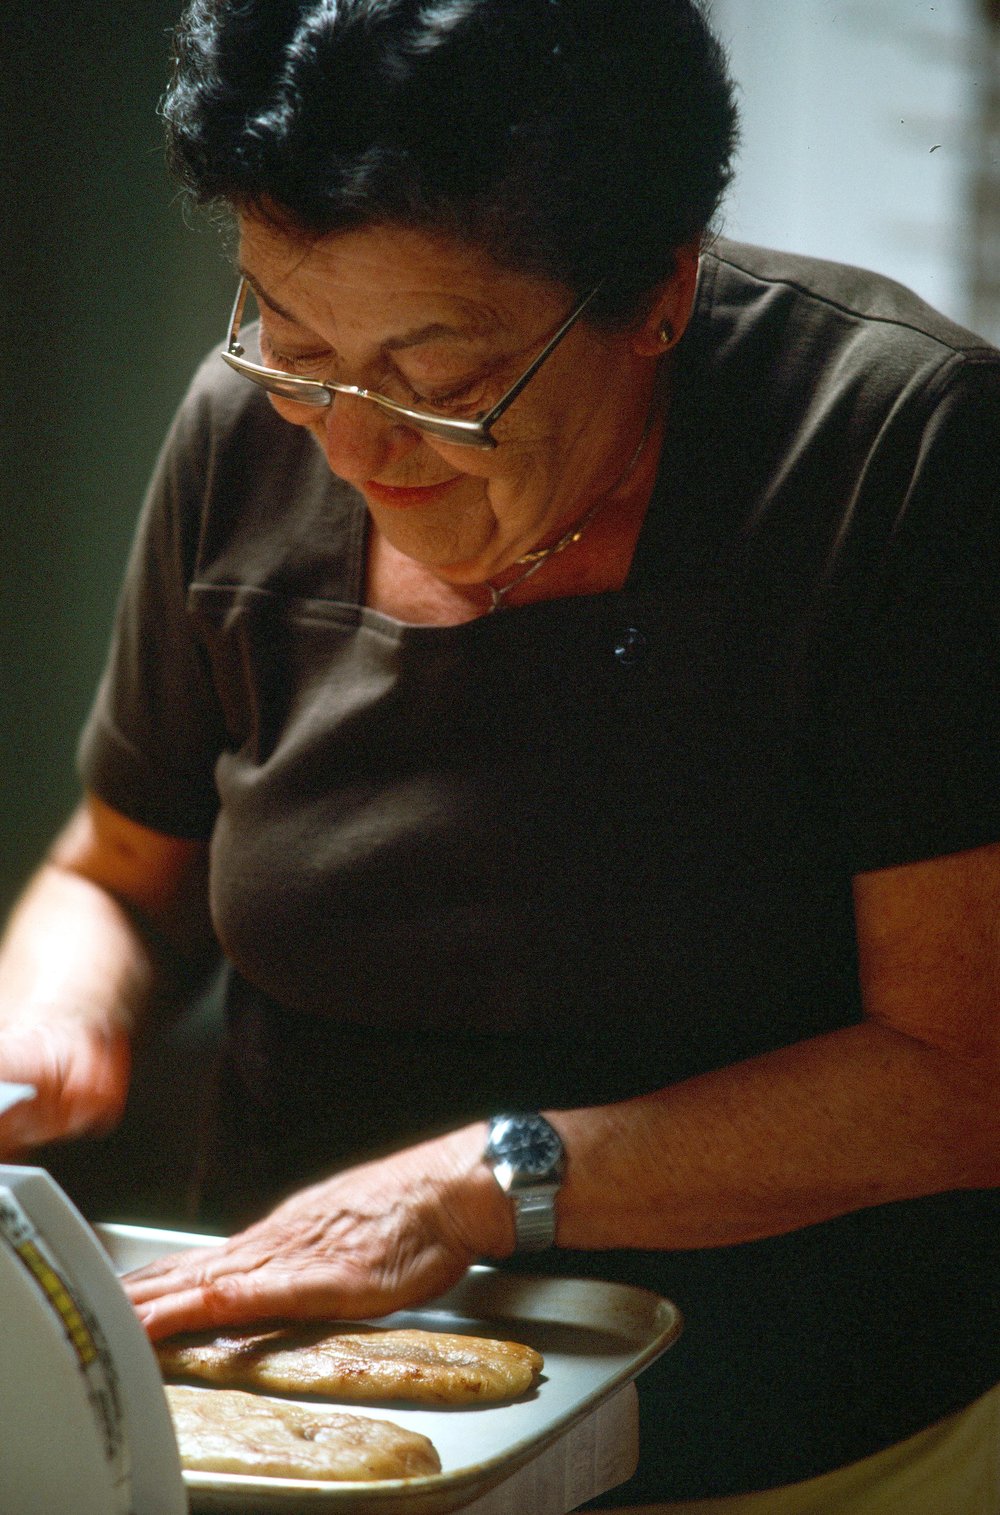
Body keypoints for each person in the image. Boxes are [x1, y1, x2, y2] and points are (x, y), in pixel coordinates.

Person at [1, 0, 999, 1508]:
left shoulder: (899, 454)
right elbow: (117, 865)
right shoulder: (249, 428)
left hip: (808, 1448)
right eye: (294, 335)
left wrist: (482, 1185)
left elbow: (964, 1068)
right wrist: (53, 1010)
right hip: (289, 1430)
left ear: (656, 295)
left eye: (440, 383)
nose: (351, 441)